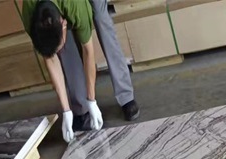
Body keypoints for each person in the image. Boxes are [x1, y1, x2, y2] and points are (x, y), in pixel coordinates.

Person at [22, 0, 140, 143]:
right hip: (61, 8)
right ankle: (81, 108)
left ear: (64, 23)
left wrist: (92, 100)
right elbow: (50, 58)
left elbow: (88, 52)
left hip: (72, 4)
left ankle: (126, 96)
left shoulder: (76, 8)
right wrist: (66, 110)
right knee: (65, 48)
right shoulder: (30, 19)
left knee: (101, 19)